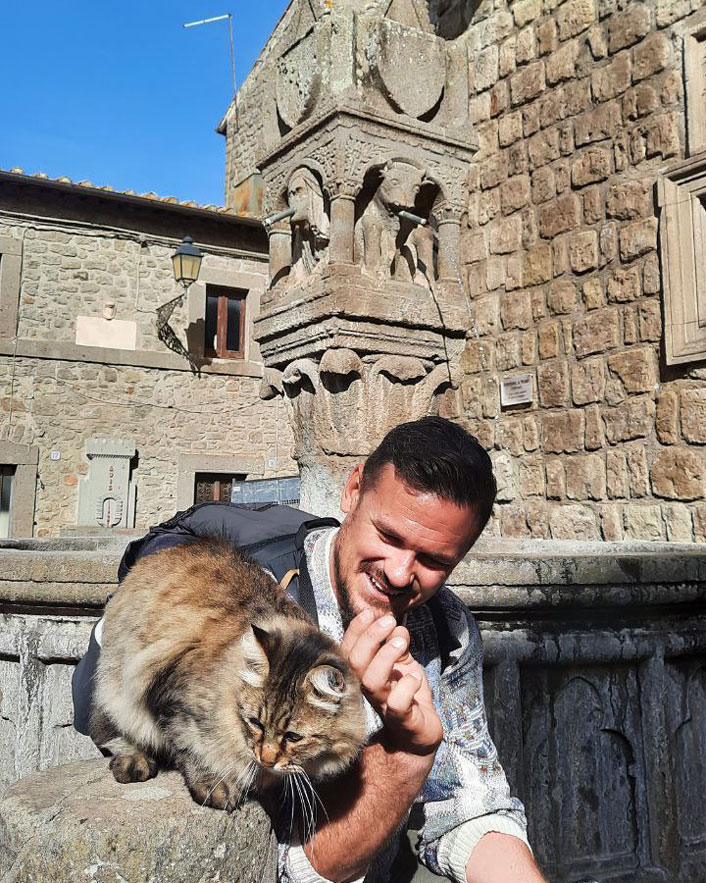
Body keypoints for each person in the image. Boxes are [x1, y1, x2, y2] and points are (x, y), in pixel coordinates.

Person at [73, 416, 547, 883]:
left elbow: (468, 804)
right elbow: (286, 862)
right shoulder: (262, 605)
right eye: (390, 536)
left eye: (434, 560)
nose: (402, 573)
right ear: (353, 489)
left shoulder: (446, 627)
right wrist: (407, 752)